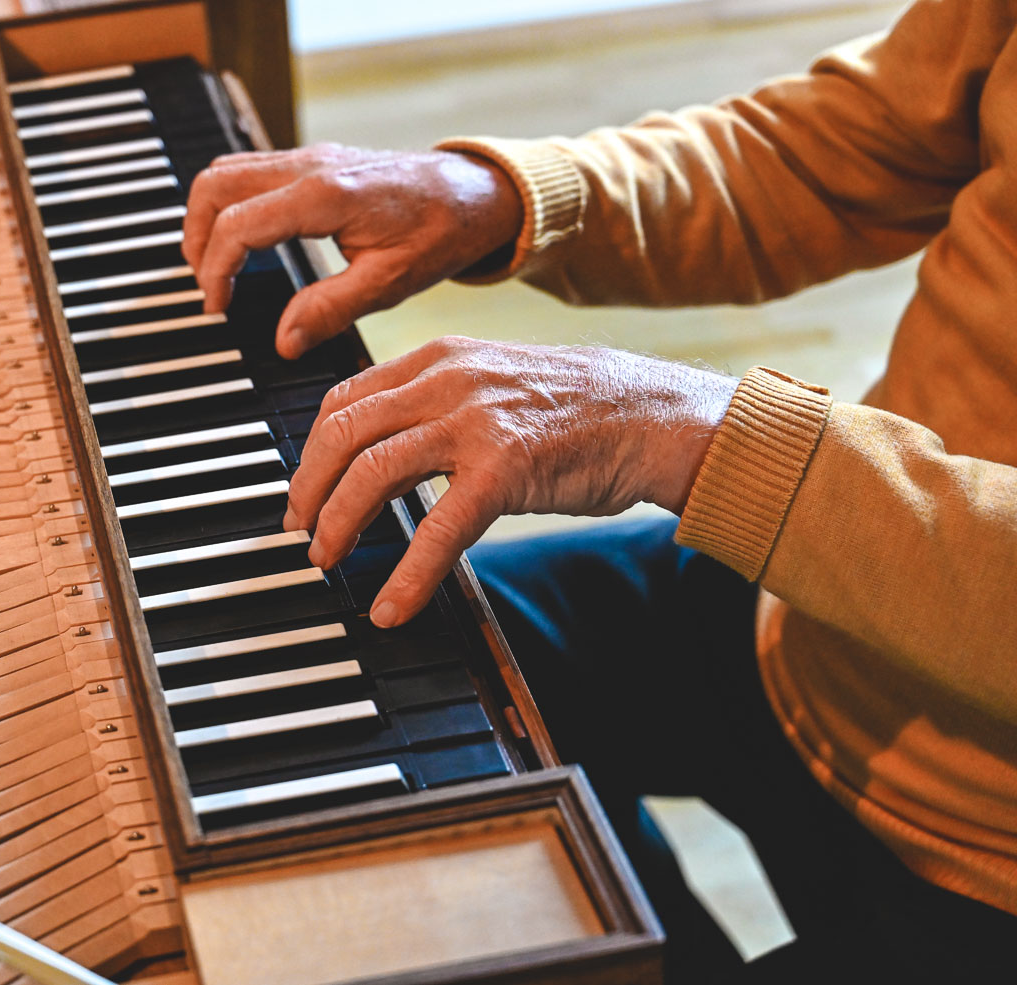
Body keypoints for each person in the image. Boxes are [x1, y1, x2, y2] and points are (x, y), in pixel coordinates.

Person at [180, 2, 1017, 981]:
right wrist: (507, 195)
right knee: (310, 643)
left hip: (983, 870)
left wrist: (684, 431)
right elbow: (866, 140)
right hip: (810, 615)